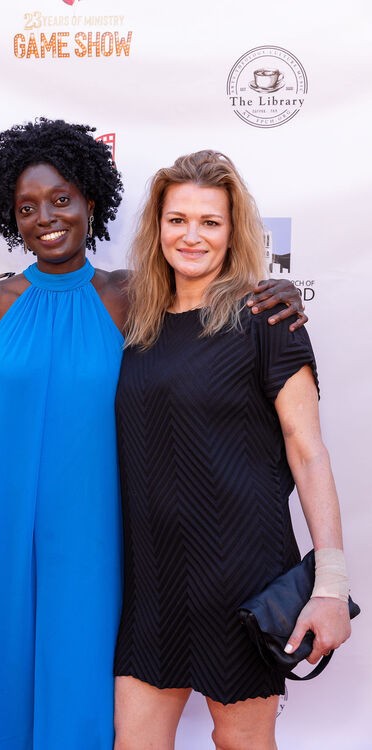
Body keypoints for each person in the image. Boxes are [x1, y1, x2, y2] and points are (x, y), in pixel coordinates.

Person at [0, 119, 305, 749]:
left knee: (77, 664)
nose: (46, 218)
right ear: (11, 218)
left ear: (91, 204)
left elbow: (207, 296)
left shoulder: (131, 296)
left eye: (61, 200)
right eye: (27, 208)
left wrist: (274, 291)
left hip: (91, 521)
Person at [112, 150, 351, 750]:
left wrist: (330, 584)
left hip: (241, 575)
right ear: (157, 227)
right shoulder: (134, 322)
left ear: (233, 230)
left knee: (241, 742)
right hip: (151, 581)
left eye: (210, 222)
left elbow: (308, 452)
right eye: (177, 219)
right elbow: (55, 290)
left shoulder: (268, 319)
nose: (191, 235)